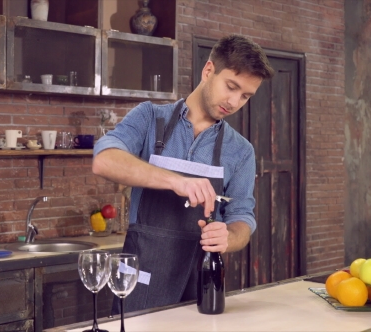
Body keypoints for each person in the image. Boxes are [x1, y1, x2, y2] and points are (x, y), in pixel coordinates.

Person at [92, 34, 275, 313]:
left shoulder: (241, 151)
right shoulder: (149, 118)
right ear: (209, 70)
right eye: (231, 86)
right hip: (142, 277)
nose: (235, 101)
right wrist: (174, 180)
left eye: (245, 96)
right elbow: (105, 160)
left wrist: (229, 236)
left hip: (201, 281)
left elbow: (242, 218)